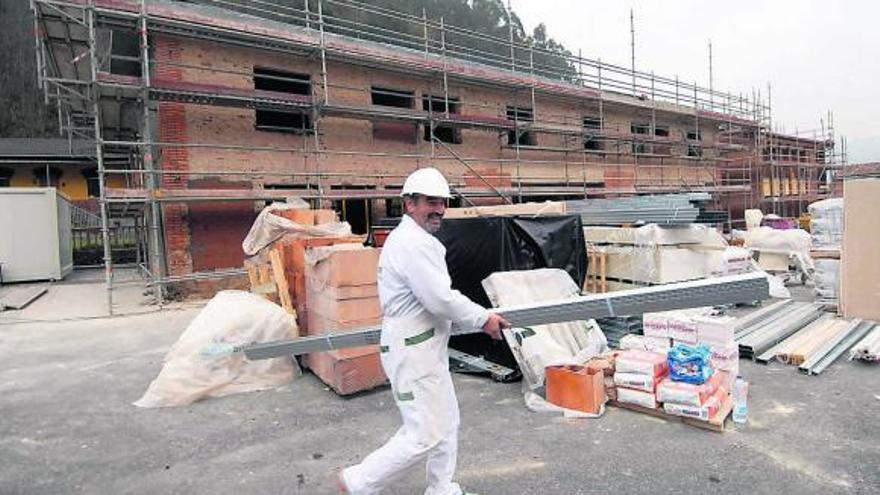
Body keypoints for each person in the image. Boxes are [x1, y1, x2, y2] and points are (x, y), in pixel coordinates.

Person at [339, 167, 509, 495]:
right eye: (431, 202)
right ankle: (357, 482)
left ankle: (441, 489)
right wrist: (483, 318)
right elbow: (440, 299)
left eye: (443, 202)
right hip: (412, 353)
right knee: (423, 434)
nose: (440, 210)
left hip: (425, 350)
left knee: (447, 424)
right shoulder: (412, 244)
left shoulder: (417, 240)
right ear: (409, 204)